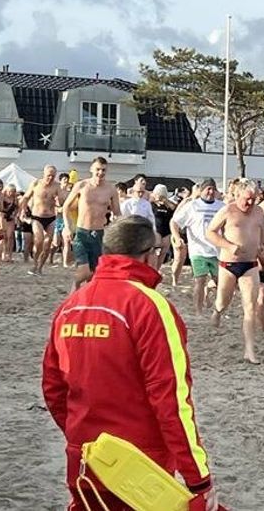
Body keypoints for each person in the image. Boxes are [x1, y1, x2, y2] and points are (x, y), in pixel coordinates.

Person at [42, 216, 219, 511]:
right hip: (140, 465)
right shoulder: (149, 306)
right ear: (149, 255)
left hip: (85, 459)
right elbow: (171, 400)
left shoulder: (71, 306)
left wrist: (82, 437)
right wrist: (199, 479)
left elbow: (53, 388)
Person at [206, 180, 264, 364]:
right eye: (247, 199)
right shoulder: (227, 210)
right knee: (224, 301)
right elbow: (210, 232)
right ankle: (217, 311)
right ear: (238, 195)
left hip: (250, 264)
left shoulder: (258, 211)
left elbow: (262, 230)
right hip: (228, 264)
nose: (250, 203)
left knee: (250, 306)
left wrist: (262, 245)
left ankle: (249, 350)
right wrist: (229, 245)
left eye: (254, 200)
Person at [63, 157, 121, 289]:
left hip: (99, 234)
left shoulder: (111, 189)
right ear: (91, 169)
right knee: (84, 272)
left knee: (94, 274)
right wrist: (67, 227)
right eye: (98, 169)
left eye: (103, 170)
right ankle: (76, 285)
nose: (100, 173)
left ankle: (81, 299)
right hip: (82, 232)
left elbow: (117, 212)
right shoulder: (82, 185)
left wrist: (118, 229)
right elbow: (66, 207)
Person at [171, 179, 224, 315]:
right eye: (208, 189)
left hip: (217, 250)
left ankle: (217, 310)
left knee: (220, 282)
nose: (211, 192)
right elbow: (175, 222)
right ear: (201, 190)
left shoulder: (222, 207)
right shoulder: (192, 206)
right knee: (200, 280)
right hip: (198, 250)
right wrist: (177, 238)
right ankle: (198, 311)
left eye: (213, 189)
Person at [19, 165, 62, 276]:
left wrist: (58, 200)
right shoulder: (36, 184)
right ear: (44, 174)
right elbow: (25, 197)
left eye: (53, 176)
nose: (50, 178)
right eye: (48, 175)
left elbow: (62, 201)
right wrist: (23, 210)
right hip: (37, 217)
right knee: (39, 240)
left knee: (48, 244)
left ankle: (40, 267)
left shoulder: (57, 186)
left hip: (51, 217)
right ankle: (34, 264)